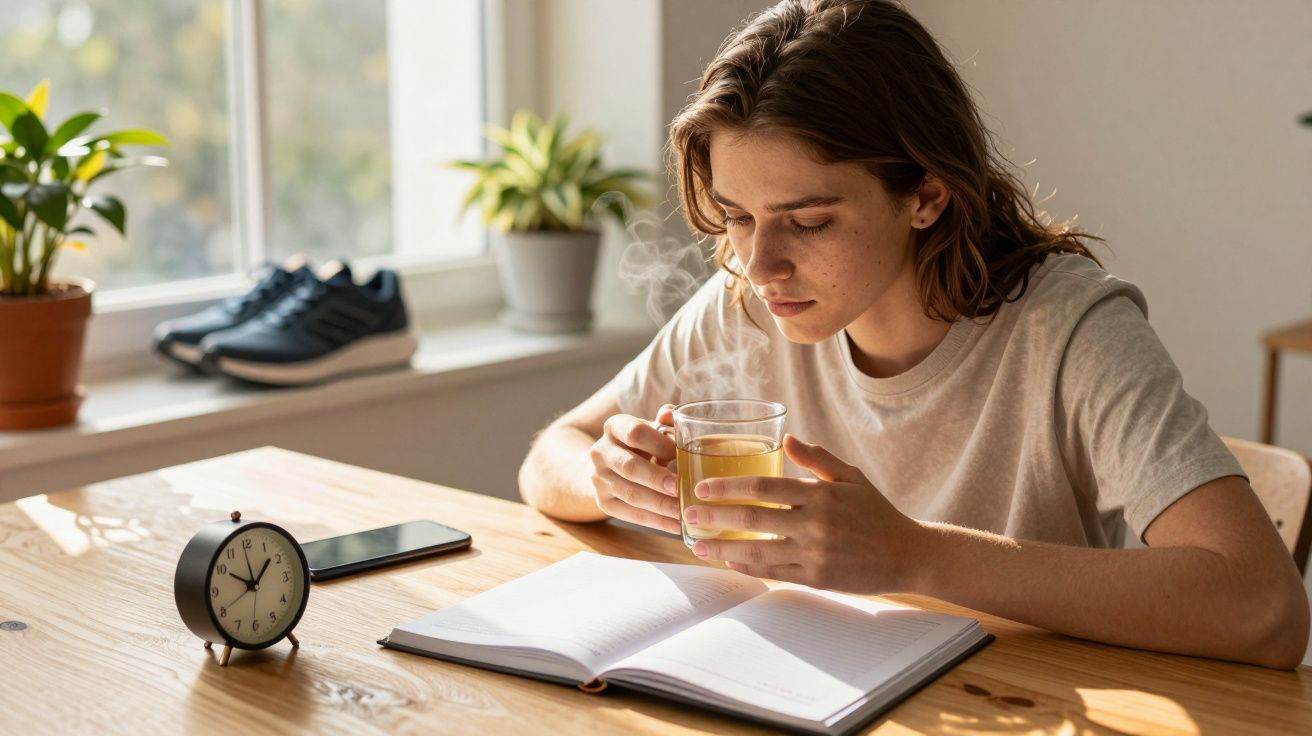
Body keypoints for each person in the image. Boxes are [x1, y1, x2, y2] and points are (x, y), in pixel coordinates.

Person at [517, 0, 1308, 669]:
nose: (760, 263)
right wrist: (607, 474)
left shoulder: (1070, 330)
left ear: (926, 195)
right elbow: (551, 453)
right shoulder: (747, 305)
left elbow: (1265, 608)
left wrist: (913, 553)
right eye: (737, 216)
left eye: (810, 221)